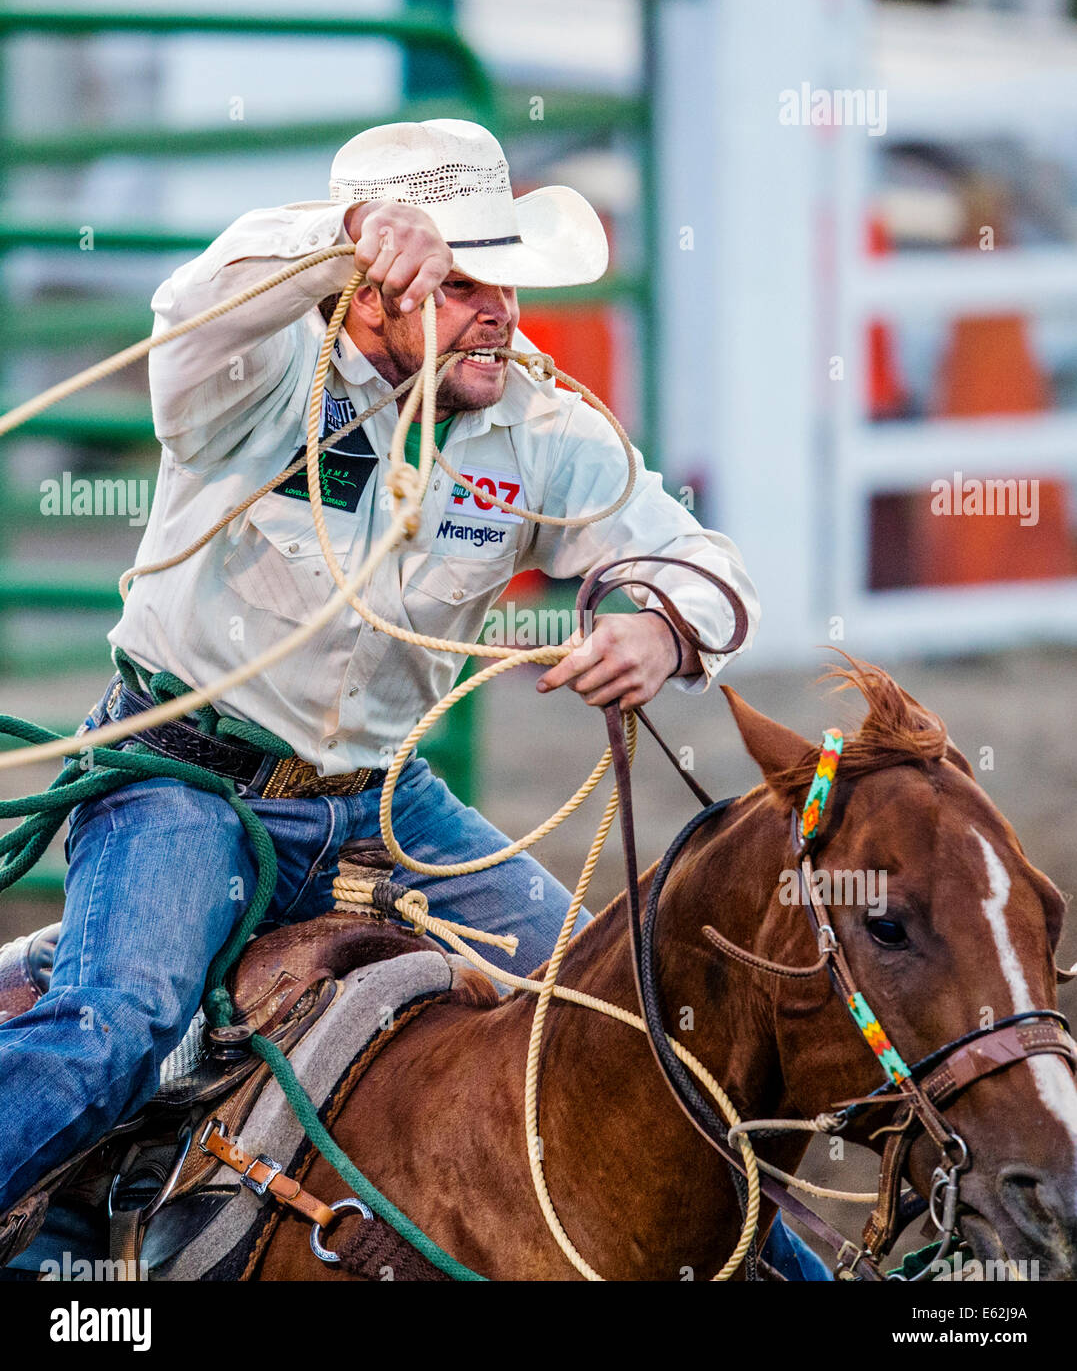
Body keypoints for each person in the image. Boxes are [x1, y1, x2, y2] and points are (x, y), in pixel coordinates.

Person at [0, 118, 819, 1277]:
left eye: (508, 282)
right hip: (187, 780)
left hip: (385, 803)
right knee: (112, 1028)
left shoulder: (534, 426)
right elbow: (196, 303)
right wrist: (333, 239)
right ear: (371, 290)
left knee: (618, 1027)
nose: (501, 310)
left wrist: (658, 626)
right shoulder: (256, 376)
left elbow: (697, 556)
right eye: (465, 279)